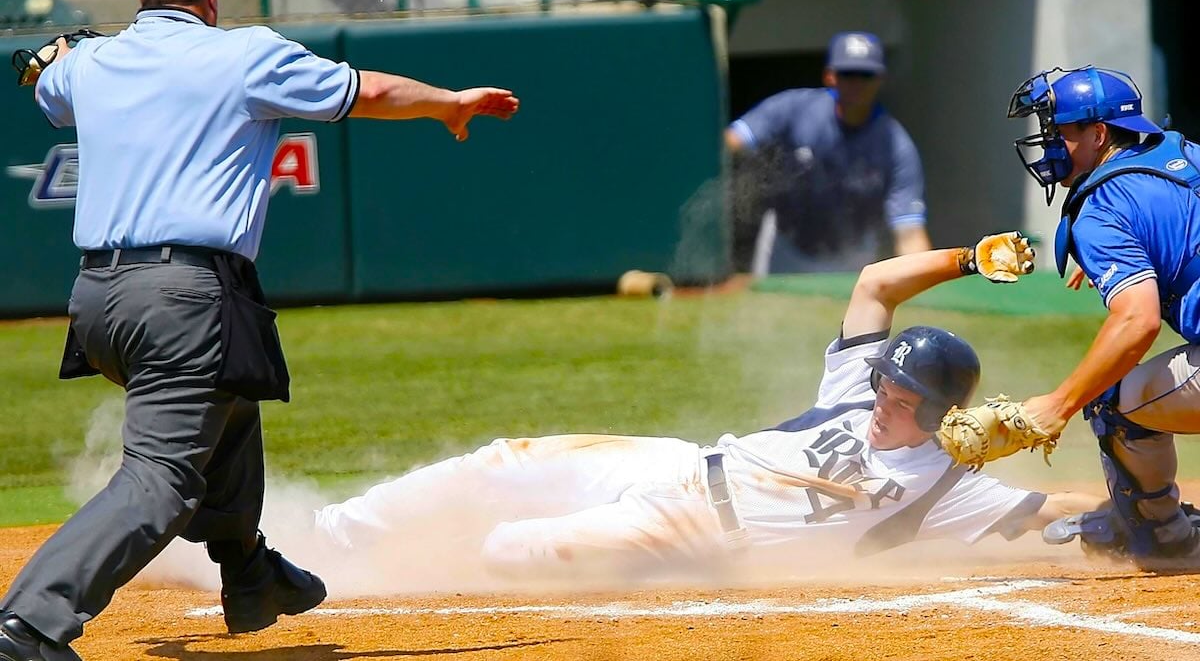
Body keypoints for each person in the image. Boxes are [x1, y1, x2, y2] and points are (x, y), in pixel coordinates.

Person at [0, 0, 519, 661]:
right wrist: (447, 103)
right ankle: (28, 622)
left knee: (230, 401)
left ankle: (249, 573)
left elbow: (46, 81)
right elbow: (365, 90)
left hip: (97, 300)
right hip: (184, 294)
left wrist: (59, 56)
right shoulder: (243, 53)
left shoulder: (93, 61)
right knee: (161, 480)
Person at [299, 232, 1100, 588]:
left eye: (901, 399)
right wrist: (968, 258)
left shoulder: (949, 487)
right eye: (883, 386)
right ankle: (322, 540)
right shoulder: (860, 390)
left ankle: (407, 566)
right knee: (499, 461)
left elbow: (1056, 506)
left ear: (939, 412)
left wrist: (1147, 507)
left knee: (510, 549)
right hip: (677, 462)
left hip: (694, 534)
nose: (881, 403)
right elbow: (873, 284)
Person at [1002, 65, 1200, 568]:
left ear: (1099, 133)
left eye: (1060, 133)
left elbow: (1138, 321)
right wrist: (1133, 256)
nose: (1048, 144)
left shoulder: (1101, 209)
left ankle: (1163, 537)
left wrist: (1060, 404)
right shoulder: (1186, 154)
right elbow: (1174, 227)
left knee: (1111, 399)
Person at [724, 31, 932, 276]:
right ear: (830, 76)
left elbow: (909, 232)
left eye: (866, 75)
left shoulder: (896, 146)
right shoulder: (794, 108)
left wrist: (926, 288)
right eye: (848, 74)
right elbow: (732, 141)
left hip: (853, 257)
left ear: (881, 79)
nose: (857, 83)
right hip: (787, 248)